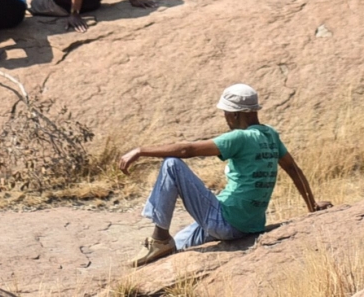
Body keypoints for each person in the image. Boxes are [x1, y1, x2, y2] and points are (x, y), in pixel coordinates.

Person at [117, 83, 329, 267]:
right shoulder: (270, 135)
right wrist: (312, 206)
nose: (225, 117)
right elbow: (293, 169)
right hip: (249, 224)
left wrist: (141, 150)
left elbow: (186, 151)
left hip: (225, 222)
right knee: (177, 248)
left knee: (172, 164)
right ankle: (165, 247)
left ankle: (159, 239)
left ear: (236, 114)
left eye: (226, 113)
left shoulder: (240, 137)